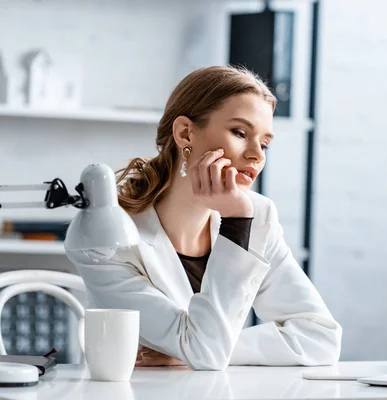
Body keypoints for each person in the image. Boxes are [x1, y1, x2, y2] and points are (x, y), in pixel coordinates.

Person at [66, 66, 342, 370]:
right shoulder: (106, 238)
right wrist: (236, 222)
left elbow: (321, 338)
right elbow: (206, 353)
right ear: (186, 132)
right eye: (240, 133)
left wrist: (191, 349)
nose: (257, 156)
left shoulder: (259, 216)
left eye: (264, 143)